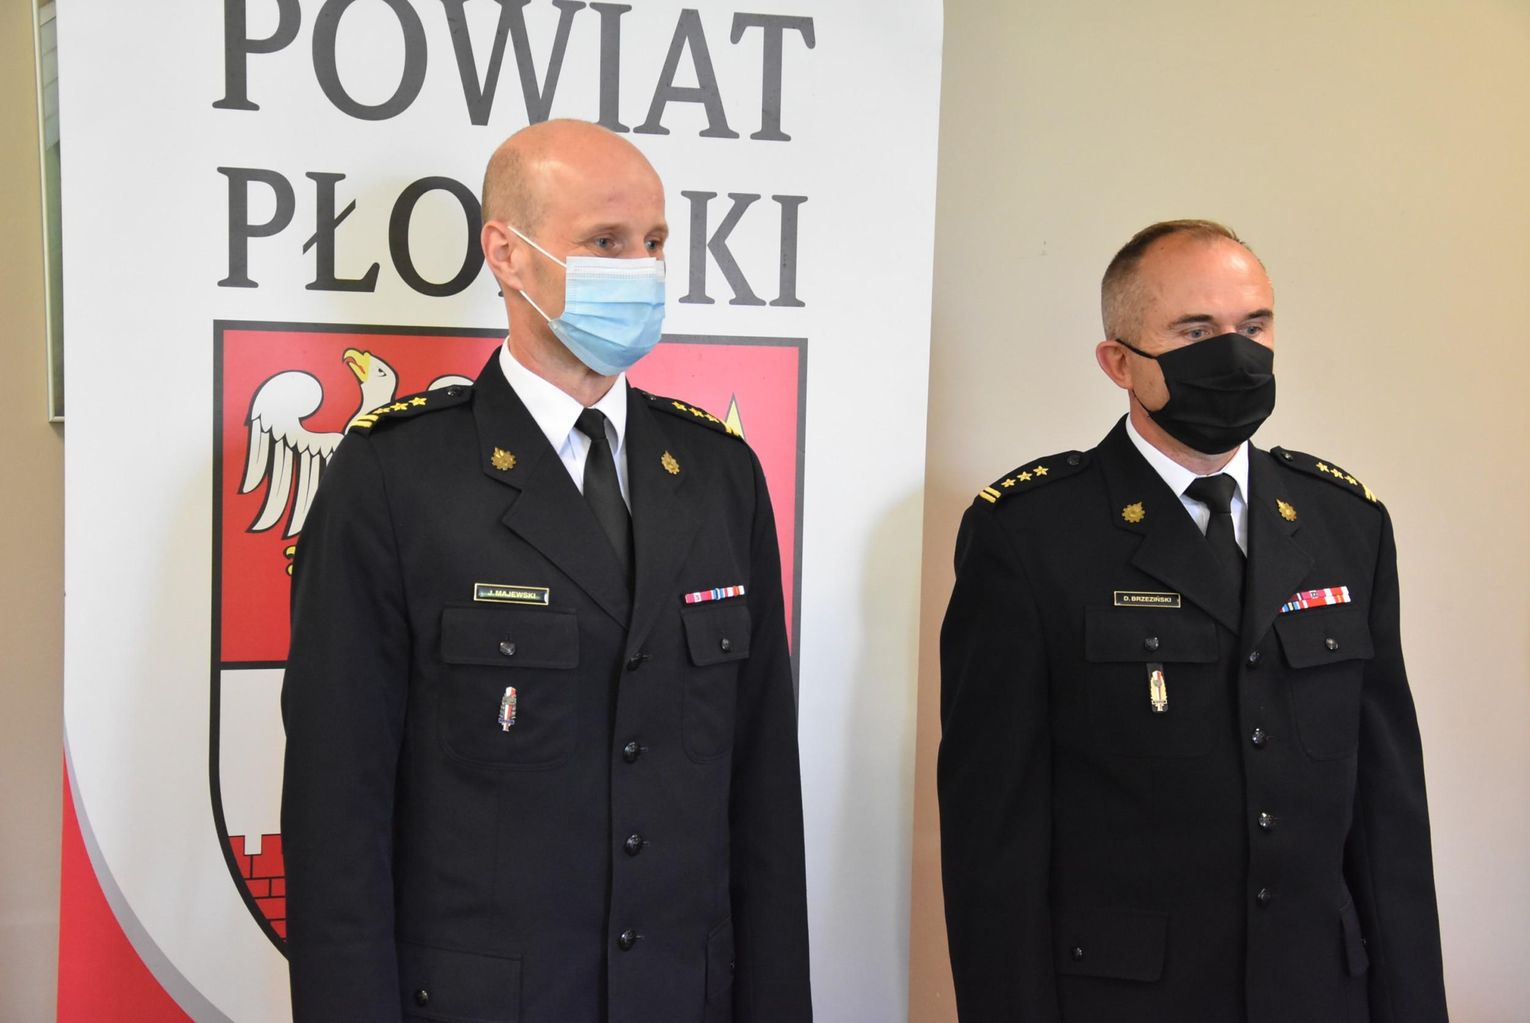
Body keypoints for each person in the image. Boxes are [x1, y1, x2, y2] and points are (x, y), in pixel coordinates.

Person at [281, 119, 812, 1023]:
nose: (641, 270)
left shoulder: (719, 476)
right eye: (605, 242)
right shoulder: (395, 480)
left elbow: (764, 801)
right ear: (507, 254)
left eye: (654, 243)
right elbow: (337, 819)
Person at [937, 220, 1448, 1022]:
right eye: (1196, 332)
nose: (1236, 355)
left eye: (1255, 326)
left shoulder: (1345, 524)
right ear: (1119, 362)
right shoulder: (1031, 536)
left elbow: (1390, 819)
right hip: (1128, 1002)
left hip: (1319, 995)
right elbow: (992, 843)